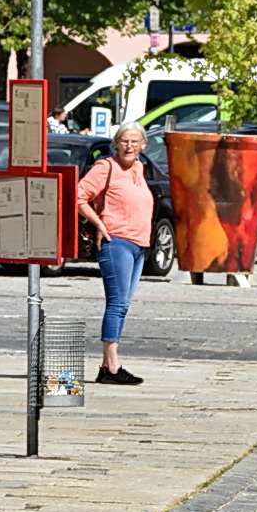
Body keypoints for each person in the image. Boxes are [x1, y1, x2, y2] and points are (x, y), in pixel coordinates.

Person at [77, 123, 153, 386]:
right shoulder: (105, 167)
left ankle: (106, 366)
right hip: (116, 242)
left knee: (124, 305)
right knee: (117, 304)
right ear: (116, 144)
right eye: (124, 141)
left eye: (134, 141)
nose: (129, 146)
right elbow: (79, 197)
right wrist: (99, 224)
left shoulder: (139, 168)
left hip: (138, 243)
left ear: (143, 145)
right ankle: (112, 366)